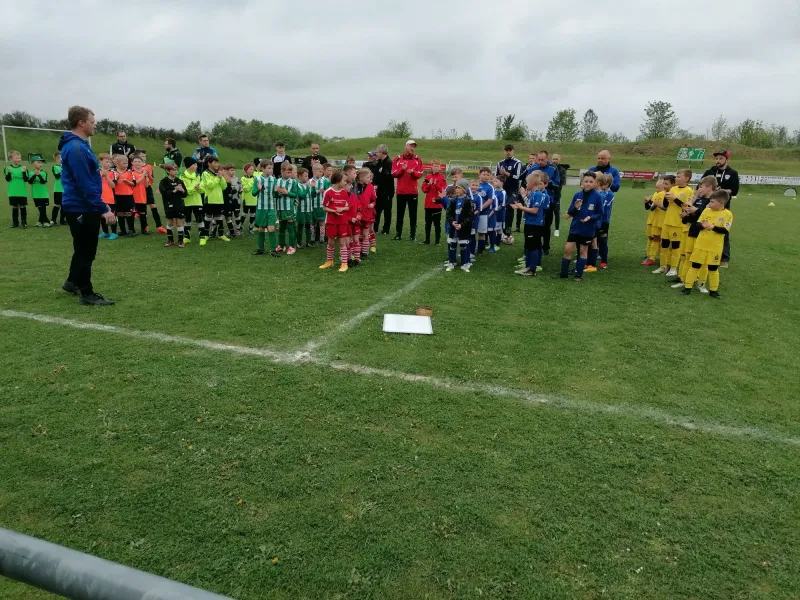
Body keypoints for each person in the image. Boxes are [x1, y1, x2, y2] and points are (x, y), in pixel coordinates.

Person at [59, 106, 117, 305]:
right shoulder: (76, 148)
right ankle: (86, 293)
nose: (95, 125)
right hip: (81, 207)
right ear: (81, 123)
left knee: (82, 248)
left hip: (80, 205)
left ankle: (72, 282)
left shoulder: (78, 146)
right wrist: (104, 208)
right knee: (86, 250)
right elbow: (85, 183)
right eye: (92, 121)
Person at [681, 190, 733, 299]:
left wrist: (714, 227)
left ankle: (714, 290)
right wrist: (703, 226)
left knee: (713, 269)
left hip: (715, 247)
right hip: (701, 244)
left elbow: (725, 230)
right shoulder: (706, 211)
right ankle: (687, 287)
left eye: (712, 202)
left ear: (721, 203)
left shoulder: (728, 214)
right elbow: (698, 224)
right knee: (695, 266)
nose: (709, 203)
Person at [553, 172, 602, 282]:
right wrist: (575, 207)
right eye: (586, 181)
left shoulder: (597, 197)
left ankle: (578, 275)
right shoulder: (577, 195)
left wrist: (590, 217)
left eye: (591, 182)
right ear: (582, 182)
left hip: (588, 229)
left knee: (583, 251)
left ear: (595, 183)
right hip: (575, 227)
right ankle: (563, 274)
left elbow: (599, 214)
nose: (588, 184)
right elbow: (571, 212)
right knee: (567, 249)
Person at [671, 175, 717, 289]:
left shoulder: (712, 201)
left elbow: (707, 216)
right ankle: (684, 279)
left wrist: (695, 210)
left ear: (709, 187)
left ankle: (701, 283)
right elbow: (693, 216)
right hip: (692, 231)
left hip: (702, 234)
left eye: (701, 187)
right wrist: (685, 217)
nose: (699, 189)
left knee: (701, 260)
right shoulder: (700, 199)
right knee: (687, 257)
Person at [702, 150, 739, 267]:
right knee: (704, 227)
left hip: (723, 207)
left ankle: (724, 259)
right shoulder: (710, 171)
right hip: (707, 205)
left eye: (720, 159)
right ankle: (703, 254)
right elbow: (701, 184)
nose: (718, 161)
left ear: (726, 160)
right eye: (716, 158)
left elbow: (734, 191)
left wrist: (720, 191)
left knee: (722, 231)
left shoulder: (733, 173)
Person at [524, 151, 561, 255]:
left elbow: (558, 184)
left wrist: (549, 183)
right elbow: (527, 181)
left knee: (546, 225)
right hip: (534, 199)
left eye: (542, 160)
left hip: (547, 201)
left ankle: (546, 247)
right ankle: (533, 246)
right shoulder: (533, 168)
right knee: (534, 225)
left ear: (547, 158)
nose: (540, 162)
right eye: (538, 160)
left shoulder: (553, 168)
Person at [512, 171, 547, 277]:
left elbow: (535, 210)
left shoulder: (538, 194)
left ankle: (532, 270)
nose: (526, 184)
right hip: (529, 223)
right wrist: (519, 206)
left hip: (535, 224)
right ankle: (528, 266)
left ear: (532, 183)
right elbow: (528, 206)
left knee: (533, 247)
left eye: (527, 182)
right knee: (529, 246)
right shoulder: (532, 194)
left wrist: (521, 208)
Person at [660, 170, 694, 277]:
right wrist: (666, 197)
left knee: (675, 247)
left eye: (679, 177)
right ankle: (663, 266)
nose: (676, 178)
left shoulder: (689, 191)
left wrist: (675, 199)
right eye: (676, 176)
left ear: (686, 179)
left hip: (677, 223)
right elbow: (666, 205)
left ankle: (674, 268)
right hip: (667, 220)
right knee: (664, 244)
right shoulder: (673, 188)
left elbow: (687, 207)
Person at [319, 169, 351, 272]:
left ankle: (344, 264)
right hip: (331, 221)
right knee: (331, 242)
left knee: (342, 242)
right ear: (338, 180)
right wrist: (333, 211)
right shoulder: (328, 192)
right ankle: (329, 261)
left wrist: (342, 209)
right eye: (345, 180)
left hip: (342, 221)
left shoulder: (344, 193)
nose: (346, 183)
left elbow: (347, 207)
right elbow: (324, 208)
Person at [391, 140, 423, 241]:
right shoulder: (397, 158)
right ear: (405, 146)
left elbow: (420, 174)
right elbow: (393, 173)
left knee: (413, 215)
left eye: (414, 147)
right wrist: (402, 169)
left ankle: (413, 235)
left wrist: (413, 172)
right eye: (410, 146)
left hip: (413, 192)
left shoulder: (418, 159)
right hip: (401, 192)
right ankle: (398, 234)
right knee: (399, 214)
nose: (412, 148)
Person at [444, 179, 474, 272]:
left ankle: (465, 263)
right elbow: (448, 214)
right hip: (453, 228)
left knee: (463, 245)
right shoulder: (453, 200)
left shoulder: (468, 201)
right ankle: (451, 262)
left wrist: (462, 225)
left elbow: (470, 216)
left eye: (459, 188)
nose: (456, 189)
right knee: (452, 245)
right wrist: (452, 222)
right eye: (456, 187)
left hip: (463, 228)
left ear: (464, 189)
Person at [199, 155, 230, 245]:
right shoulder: (205, 173)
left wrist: (221, 178)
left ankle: (221, 234)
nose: (217, 164)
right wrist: (218, 178)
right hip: (210, 199)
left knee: (219, 218)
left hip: (219, 199)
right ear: (209, 163)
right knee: (208, 218)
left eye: (217, 162)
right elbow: (209, 185)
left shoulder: (218, 173)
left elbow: (224, 187)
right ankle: (205, 236)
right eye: (215, 162)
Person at [252, 160, 280, 257]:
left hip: (271, 208)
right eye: (269, 168)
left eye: (272, 168)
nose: (271, 170)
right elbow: (253, 193)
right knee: (261, 228)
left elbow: (276, 196)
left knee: (271, 228)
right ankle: (261, 249)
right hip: (261, 208)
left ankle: (273, 250)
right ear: (263, 168)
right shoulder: (258, 179)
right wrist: (259, 189)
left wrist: (276, 192)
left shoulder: (274, 180)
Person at [495, 144, 523, 237]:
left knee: (510, 209)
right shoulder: (500, 163)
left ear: (513, 151)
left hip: (512, 190)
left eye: (510, 150)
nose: (508, 152)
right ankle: (499, 231)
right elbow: (496, 177)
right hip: (501, 190)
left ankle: (508, 231)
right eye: (506, 150)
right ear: (504, 151)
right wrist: (500, 177)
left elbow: (518, 177)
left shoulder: (517, 163)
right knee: (500, 208)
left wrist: (506, 174)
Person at [159, 163, 188, 247]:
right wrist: (174, 190)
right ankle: (170, 240)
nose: (176, 171)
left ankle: (180, 241)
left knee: (179, 223)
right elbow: (164, 193)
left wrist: (182, 190)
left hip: (179, 205)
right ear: (168, 171)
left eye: (176, 169)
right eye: (174, 170)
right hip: (168, 205)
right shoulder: (163, 182)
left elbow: (185, 195)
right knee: (170, 223)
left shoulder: (180, 181)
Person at [137, 150, 166, 234]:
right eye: (142, 156)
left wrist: (147, 174)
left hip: (148, 188)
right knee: (142, 208)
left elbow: (152, 179)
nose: (144, 158)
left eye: (145, 156)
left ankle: (159, 226)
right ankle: (145, 227)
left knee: (153, 206)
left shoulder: (149, 166)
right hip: (139, 189)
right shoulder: (134, 167)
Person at [642, 178, 667, 267]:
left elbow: (654, 207)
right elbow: (650, 208)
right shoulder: (656, 194)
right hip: (653, 220)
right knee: (652, 238)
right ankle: (650, 255)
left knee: (659, 240)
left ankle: (654, 257)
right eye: (656, 188)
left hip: (662, 221)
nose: (657, 190)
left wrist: (653, 203)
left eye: (659, 188)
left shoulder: (665, 195)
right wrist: (647, 202)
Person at [421, 158, 447, 245]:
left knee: (437, 224)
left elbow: (443, 191)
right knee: (427, 223)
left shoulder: (442, 178)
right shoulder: (427, 177)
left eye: (437, 166)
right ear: (431, 167)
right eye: (434, 166)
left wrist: (436, 185)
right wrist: (429, 184)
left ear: (440, 168)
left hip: (437, 204)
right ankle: (427, 240)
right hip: (428, 204)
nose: (436, 168)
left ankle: (437, 241)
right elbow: (424, 190)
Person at [275, 162, 299, 254]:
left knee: (290, 227)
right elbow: (275, 196)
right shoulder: (278, 181)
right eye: (288, 172)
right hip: (280, 208)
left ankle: (292, 246)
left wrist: (287, 192)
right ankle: (281, 245)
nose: (289, 174)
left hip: (289, 208)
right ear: (282, 171)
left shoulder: (293, 182)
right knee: (281, 227)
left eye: (290, 172)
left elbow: (295, 194)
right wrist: (277, 192)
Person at [111, 154, 137, 237]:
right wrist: (116, 180)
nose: (126, 165)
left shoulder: (130, 172)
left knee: (129, 213)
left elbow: (134, 183)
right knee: (119, 213)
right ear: (117, 164)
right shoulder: (113, 172)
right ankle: (123, 230)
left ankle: (131, 230)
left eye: (127, 163)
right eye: (124, 163)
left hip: (128, 196)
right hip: (117, 196)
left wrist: (127, 182)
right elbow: (112, 184)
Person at [180, 157, 204, 242]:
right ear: (189, 166)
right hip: (187, 202)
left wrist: (198, 189)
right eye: (195, 164)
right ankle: (187, 237)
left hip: (198, 202)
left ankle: (202, 238)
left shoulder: (198, 175)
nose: (196, 166)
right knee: (187, 219)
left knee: (200, 219)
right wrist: (195, 189)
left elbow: (202, 189)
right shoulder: (182, 177)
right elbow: (185, 191)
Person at [372, 144, 394, 235]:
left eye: (377, 152)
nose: (376, 153)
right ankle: (375, 228)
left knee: (387, 211)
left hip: (387, 191)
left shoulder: (389, 163)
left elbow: (387, 177)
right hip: (379, 191)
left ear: (382, 152)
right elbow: (376, 175)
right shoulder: (379, 162)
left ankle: (386, 229)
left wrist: (379, 185)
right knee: (377, 210)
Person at [355, 167, 376, 258]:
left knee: (365, 233)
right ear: (361, 178)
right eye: (367, 177)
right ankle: (358, 250)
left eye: (370, 177)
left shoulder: (371, 187)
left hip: (368, 214)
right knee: (358, 233)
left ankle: (365, 252)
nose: (370, 179)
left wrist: (372, 204)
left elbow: (374, 199)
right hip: (358, 214)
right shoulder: (355, 187)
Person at [475, 167, 496, 255]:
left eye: (488, 175)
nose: (486, 176)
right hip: (473, 213)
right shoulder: (475, 184)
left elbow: (490, 200)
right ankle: (471, 249)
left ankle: (480, 250)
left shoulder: (490, 187)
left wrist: (480, 208)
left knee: (481, 232)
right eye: (484, 174)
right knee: (472, 232)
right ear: (479, 175)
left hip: (484, 213)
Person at [5, 150, 28, 228]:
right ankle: (15, 223)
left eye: (20, 158)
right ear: (11, 159)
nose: (19, 159)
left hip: (22, 192)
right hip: (13, 192)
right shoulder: (8, 168)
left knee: (23, 207)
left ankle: (24, 222)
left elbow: (25, 180)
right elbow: (8, 179)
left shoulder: (23, 168)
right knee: (14, 207)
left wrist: (24, 172)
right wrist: (9, 173)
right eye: (17, 158)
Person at [97, 153, 118, 240]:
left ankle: (114, 232)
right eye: (106, 161)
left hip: (110, 198)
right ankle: (105, 232)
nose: (108, 163)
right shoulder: (97, 172)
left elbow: (113, 185)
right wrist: (101, 176)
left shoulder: (113, 172)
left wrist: (107, 177)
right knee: (102, 216)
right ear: (100, 162)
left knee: (112, 215)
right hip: (100, 198)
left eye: (109, 162)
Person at [26, 154, 50, 227]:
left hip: (43, 193)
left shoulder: (44, 173)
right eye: (38, 162)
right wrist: (34, 175)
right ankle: (41, 221)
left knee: (43, 208)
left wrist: (39, 175)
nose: (40, 164)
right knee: (40, 208)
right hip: (35, 194)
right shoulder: (30, 173)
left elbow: (43, 181)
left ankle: (46, 221)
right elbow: (30, 182)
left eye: (41, 162)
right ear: (33, 163)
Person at [309, 162, 330, 244]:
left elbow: (328, 191)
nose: (321, 173)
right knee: (312, 222)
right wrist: (316, 192)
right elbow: (309, 193)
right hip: (312, 205)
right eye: (319, 171)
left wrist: (324, 191)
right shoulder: (310, 181)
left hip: (321, 205)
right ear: (314, 171)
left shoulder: (325, 181)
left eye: (322, 171)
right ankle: (312, 236)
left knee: (322, 222)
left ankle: (322, 237)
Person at [130, 153, 150, 234]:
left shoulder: (144, 173)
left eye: (139, 161)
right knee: (132, 214)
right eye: (135, 161)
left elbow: (146, 185)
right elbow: (135, 183)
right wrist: (143, 175)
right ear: (132, 163)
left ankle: (144, 229)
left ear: (142, 163)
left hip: (142, 196)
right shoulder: (131, 173)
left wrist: (145, 176)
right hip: (133, 197)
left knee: (143, 214)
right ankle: (131, 230)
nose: (137, 163)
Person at [551, 154, 569, 238]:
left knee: (556, 212)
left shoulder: (562, 170)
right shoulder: (549, 168)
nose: (554, 161)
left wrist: (552, 182)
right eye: (553, 159)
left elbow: (562, 182)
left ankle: (557, 229)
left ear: (559, 160)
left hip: (557, 194)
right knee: (547, 211)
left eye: (556, 159)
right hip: (548, 194)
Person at [295, 167, 313, 248]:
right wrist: (307, 188)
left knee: (308, 225)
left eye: (307, 176)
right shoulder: (297, 185)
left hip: (309, 209)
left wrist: (314, 190)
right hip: (301, 209)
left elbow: (313, 195)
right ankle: (298, 243)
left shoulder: (308, 184)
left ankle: (308, 242)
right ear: (299, 177)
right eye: (305, 176)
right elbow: (301, 195)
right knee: (300, 225)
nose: (307, 177)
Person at [240, 163, 257, 234]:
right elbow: (246, 189)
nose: (252, 170)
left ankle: (251, 228)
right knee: (244, 214)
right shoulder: (243, 178)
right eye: (250, 169)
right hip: (246, 199)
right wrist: (252, 182)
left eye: (253, 169)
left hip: (254, 199)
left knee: (253, 214)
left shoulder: (255, 178)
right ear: (246, 170)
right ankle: (239, 227)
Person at [51, 151, 66, 225]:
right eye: (58, 158)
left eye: (61, 157)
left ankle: (62, 220)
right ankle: (53, 220)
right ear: (55, 160)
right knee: (57, 205)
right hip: (58, 189)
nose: (60, 159)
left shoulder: (66, 167)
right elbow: (57, 176)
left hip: (66, 189)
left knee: (64, 205)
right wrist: (62, 170)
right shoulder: (55, 167)